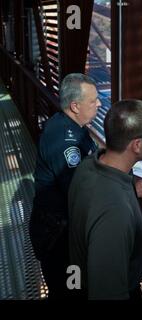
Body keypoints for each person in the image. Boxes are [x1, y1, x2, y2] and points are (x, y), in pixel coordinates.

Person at [68, 99, 142, 299]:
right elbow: (108, 293)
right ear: (137, 145)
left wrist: (130, 193)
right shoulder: (114, 212)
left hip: (77, 277)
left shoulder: (89, 164)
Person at [30, 73, 101, 298]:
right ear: (75, 106)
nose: (99, 103)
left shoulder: (72, 125)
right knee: (70, 291)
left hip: (64, 228)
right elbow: (78, 192)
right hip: (58, 237)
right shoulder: (64, 140)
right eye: (93, 100)